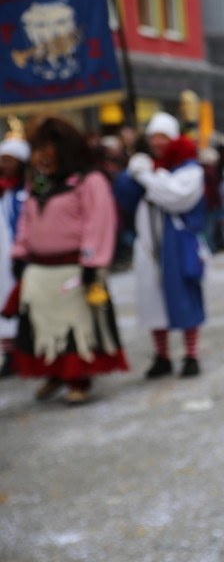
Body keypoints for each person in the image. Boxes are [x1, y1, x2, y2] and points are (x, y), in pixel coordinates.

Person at [10, 118, 126, 404]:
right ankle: (54, 373)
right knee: (43, 327)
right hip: (40, 269)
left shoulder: (90, 180)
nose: (41, 156)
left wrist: (92, 262)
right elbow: (28, 217)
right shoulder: (39, 181)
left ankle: (78, 379)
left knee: (77, 329)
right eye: (38, 149)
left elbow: (98, 222)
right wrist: (19, 252)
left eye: (48, 148)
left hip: (73, 269)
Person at [114, 112, 207, 379]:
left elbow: (174, 196)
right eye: (154, 136)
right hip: (148, 245)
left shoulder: (190, 170)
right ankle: (162, 356)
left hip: (178, 244)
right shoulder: (148, 166)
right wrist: (129, 175)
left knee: (185, 298)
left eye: (163, 136)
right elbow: (126, 197)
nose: (158, 142)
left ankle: (191, 355)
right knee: (152, 302)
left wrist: (145, 176)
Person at [0, 138, 28, 377]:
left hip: (25, 255)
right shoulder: (3, 189)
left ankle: (27, 353)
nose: (5, 165)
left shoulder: (29, 187)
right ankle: (10, 354)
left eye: (9, 160)